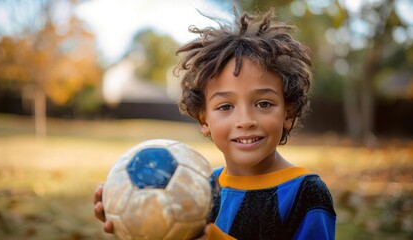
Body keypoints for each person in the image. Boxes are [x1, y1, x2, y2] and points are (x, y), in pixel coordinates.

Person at [94, 7, 336, 239]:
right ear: (204, 118)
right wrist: (136, 222)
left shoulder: (306, 194)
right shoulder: (196, 188)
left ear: (288, 113)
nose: (245, 121)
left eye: (263, 104)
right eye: (225, 107)